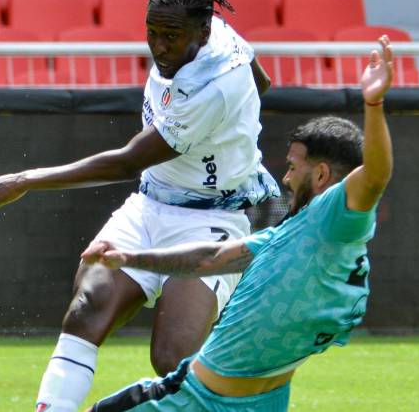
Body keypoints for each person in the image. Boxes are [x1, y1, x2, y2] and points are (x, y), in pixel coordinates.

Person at [0, 0, 279, 412]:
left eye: (171, 37)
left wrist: (27, 179)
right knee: (86, 307)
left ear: (202, 31)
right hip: (150, 204)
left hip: (211, 218)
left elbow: (127, 161)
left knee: (172, 356)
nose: (159, 47)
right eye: (152, 33)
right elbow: (263, 82)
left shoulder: (215, 86)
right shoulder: (220, 35)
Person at [80, 36, 395, 411]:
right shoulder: (290, 236)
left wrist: (373, 104)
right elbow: (208, 258)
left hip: (196, 401)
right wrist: (130, 258)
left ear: (323, 175)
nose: (287, 179)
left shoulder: (335, 219)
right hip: (240, 401)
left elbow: (374, 177)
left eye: (294, 167)